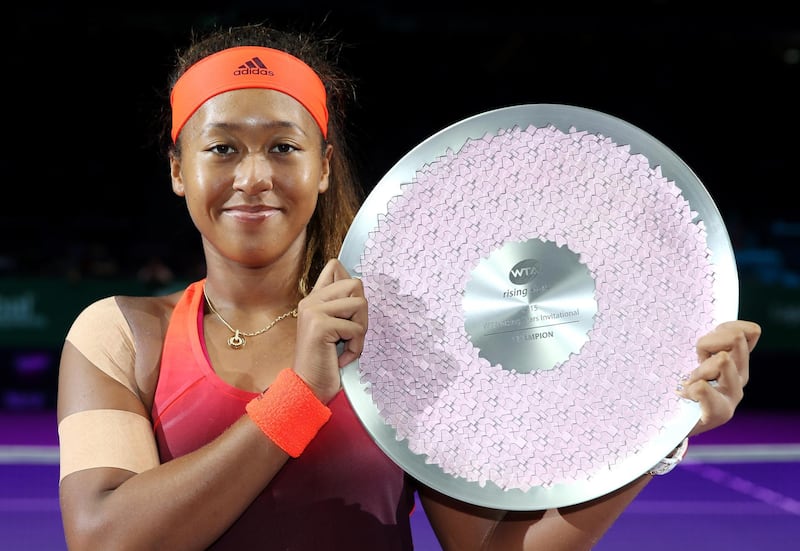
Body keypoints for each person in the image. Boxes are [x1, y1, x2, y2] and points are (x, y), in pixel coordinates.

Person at [57, 22, 762, 551]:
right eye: (221, 149)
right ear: (179, 169)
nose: (254, 177)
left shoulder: (392, 336)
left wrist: (655, 436)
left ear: (324, 167)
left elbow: (492, 550)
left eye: (283, 146)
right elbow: (103, 535)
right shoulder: (118, 333)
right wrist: (298, 398)